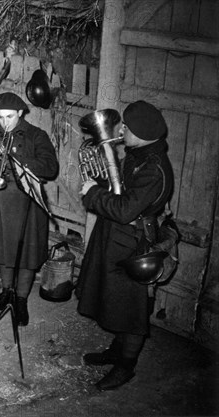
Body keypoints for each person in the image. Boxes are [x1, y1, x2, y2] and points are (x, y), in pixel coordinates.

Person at [76, 101, 174, 391]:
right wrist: (101, 183)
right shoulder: (140, 154)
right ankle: (116, 351)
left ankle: (126, 366)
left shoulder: (153, 169)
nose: (120, 130)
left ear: (142, 133)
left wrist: (93, 194)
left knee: (131, 310)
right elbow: (121, 192)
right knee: (115, 301)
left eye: (126, 128)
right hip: (117, 236)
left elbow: (124, 210)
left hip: (134, 243)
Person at [0, 92, 58, 325]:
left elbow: (50, 168)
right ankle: (6, 291)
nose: (4, 123)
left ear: (20, 113)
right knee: (3, 247)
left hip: (28, 200)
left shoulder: (37, 135)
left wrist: (16, 156)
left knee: (26, 253)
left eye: (9, 117)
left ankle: (21, 299)